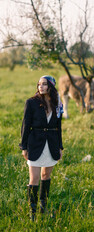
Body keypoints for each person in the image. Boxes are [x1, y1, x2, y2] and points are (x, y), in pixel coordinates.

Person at [19, 75, 63, 221]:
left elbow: (58, 127)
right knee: (34, 178)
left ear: (51, 86)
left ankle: (43, 208)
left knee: (46, 176)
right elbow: (25, 125)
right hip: (35, 142)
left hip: (51, 143)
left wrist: (60, 146)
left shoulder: (57, 104)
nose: (41, 87)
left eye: (44, 84)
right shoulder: (31, 103)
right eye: (39, 84)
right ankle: (32, 213)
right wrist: (24, 147)